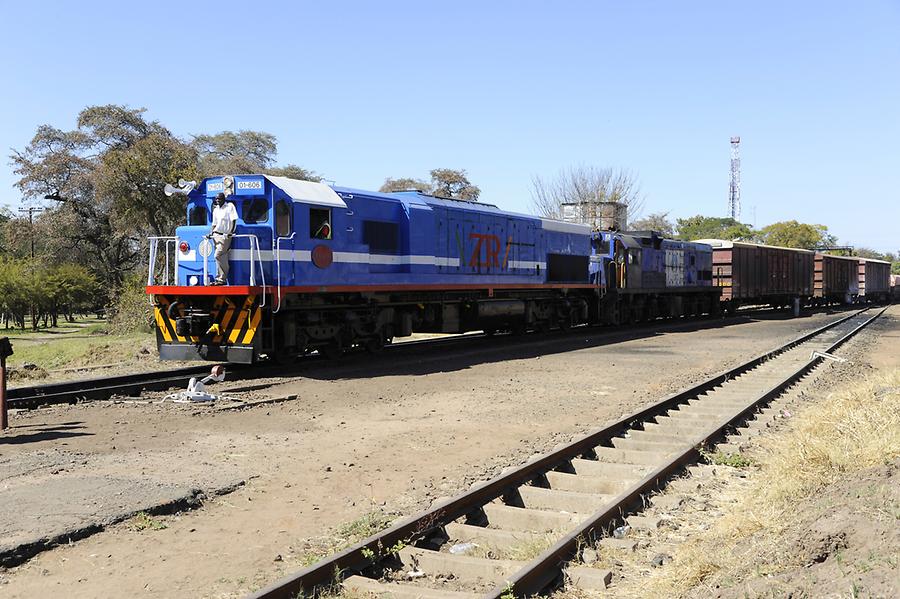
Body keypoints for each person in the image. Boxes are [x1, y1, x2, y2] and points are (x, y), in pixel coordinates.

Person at [208, 192, 238, 285]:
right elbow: (214, 223)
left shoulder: (230, 206)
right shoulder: (216, 209)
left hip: (225, 236)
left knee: (218, 255)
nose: (217, 200)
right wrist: (211, 233)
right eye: (216, 199)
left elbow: (234, 220)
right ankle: (219, 279)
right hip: (216, 235)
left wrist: (231, 232)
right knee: (221, 256)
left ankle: (222, 278)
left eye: (219, 199)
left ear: (224, 199)